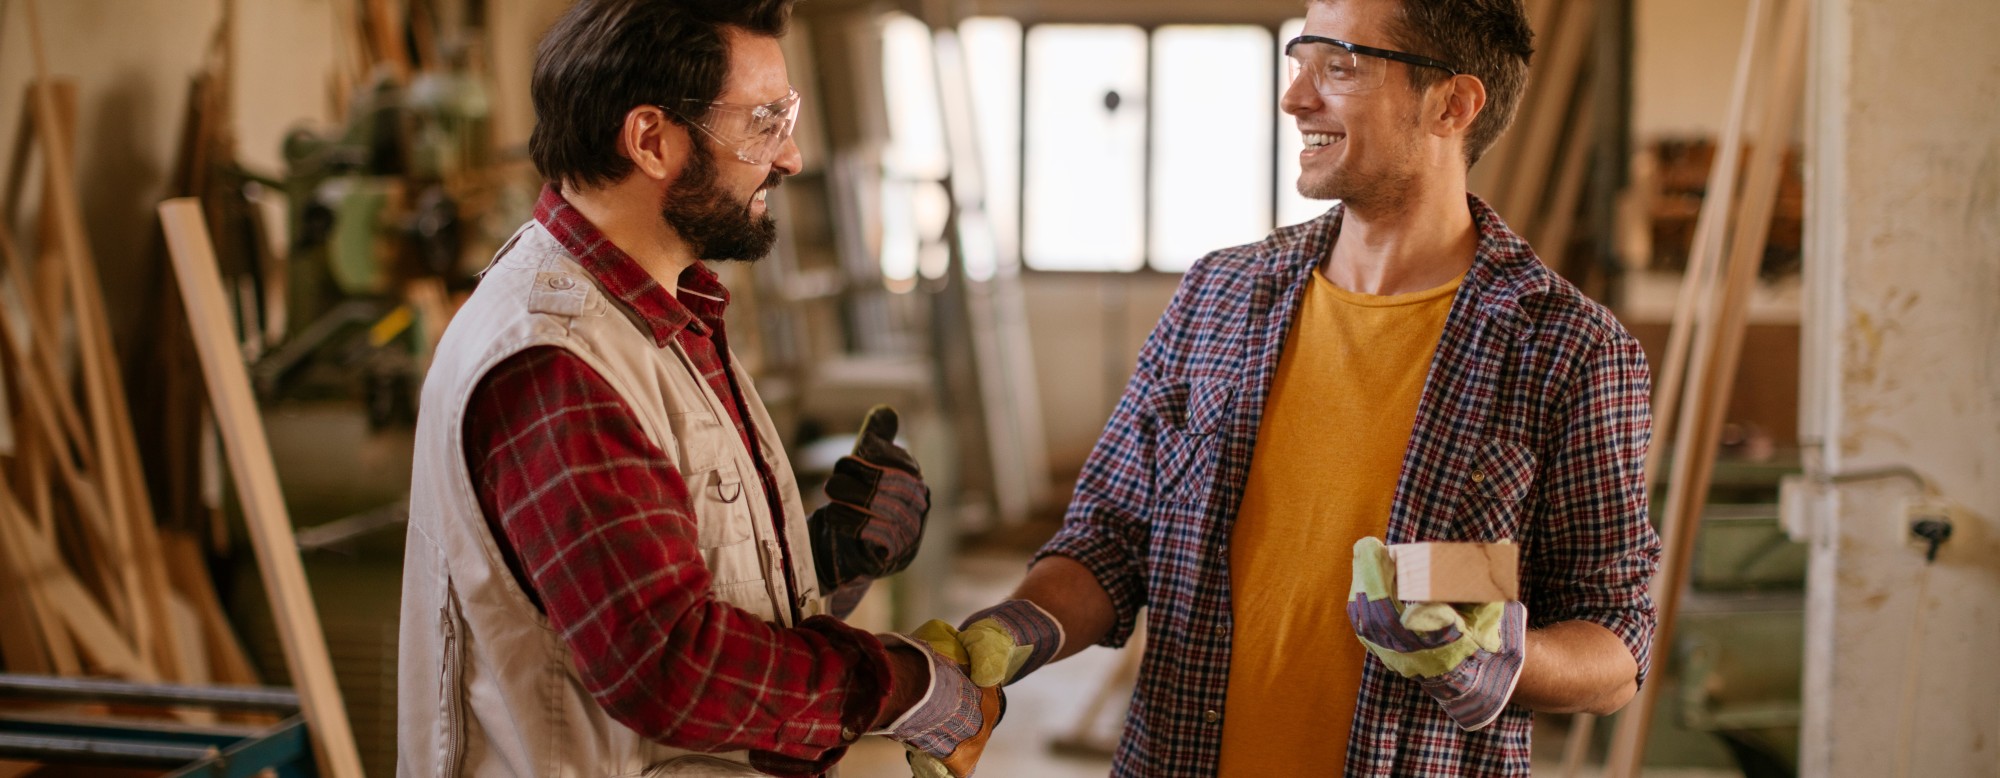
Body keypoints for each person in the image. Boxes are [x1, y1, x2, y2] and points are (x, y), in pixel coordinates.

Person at [922, 0, 1661, 775]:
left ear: (1454, 104)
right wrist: (1004, 638)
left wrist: (1495, 655)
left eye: (1340, 66)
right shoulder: (1220, 296)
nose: (1296, 98)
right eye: (1300, 60)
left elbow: (1613, 644)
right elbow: (1108, 541)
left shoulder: (1567, 350)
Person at [396, 1, 998, 775]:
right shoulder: (557, 361)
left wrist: (826, 562)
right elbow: (669, 667)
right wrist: (905, 686)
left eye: (789, 116)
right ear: (650, 140)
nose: (791, 157)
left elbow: (651, 588)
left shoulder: (664, 310)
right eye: (763, 123)